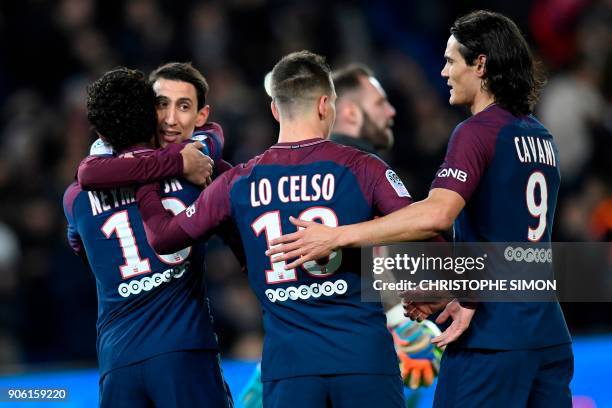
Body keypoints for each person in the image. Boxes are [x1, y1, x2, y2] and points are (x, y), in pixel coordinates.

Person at [267, 11, 573, 407]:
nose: (443, 71)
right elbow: (511, 238)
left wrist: (336, 236)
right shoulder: (539, 134)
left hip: (493, 336)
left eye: (450, 60)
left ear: (480, 64)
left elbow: (437, 214)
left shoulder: (476, 132)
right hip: (548, 332)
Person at [135, 50, 410, 408]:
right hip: (363, 359)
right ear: (325, 105)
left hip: (289, 368)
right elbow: (425, 233)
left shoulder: (236, 182)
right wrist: (425, 293)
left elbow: (165, 238)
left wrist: (144, 176)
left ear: (275, 110)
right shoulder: (363, 168)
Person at [62, 68, 233, 407]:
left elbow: (83, 252)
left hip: (117, 361)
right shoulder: (195, 173)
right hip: (184, 352)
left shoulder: (75, 197)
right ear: (149, 115)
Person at [77, 62, 228, 191]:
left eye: (183, 107)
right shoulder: (110, 146)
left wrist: (132, 163)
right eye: (162, 104)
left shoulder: (207, 138)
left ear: (200, 116)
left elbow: (201, 150)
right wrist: (179, 163)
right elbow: (87, 174)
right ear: (147, 108)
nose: (170, 120)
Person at [330, 64, 396, 154]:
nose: (391, 111)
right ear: (351, 113)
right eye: (379, 103)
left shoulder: (312, 162)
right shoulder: (365, 166)